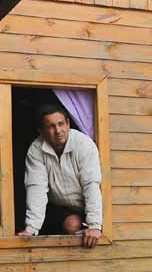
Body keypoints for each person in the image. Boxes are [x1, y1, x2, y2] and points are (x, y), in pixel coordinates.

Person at [17, 103, 103, 248]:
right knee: (72, 225)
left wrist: (94, 225)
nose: (58, 131)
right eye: (51, 126)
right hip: (60, 207)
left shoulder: (83, 144)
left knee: (83, 226)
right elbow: (36, 187)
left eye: (61, 124)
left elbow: (91, 185)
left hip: (89, 203)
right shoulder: (36, 149)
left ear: (68, 124)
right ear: (41, 131)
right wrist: (31, 229)